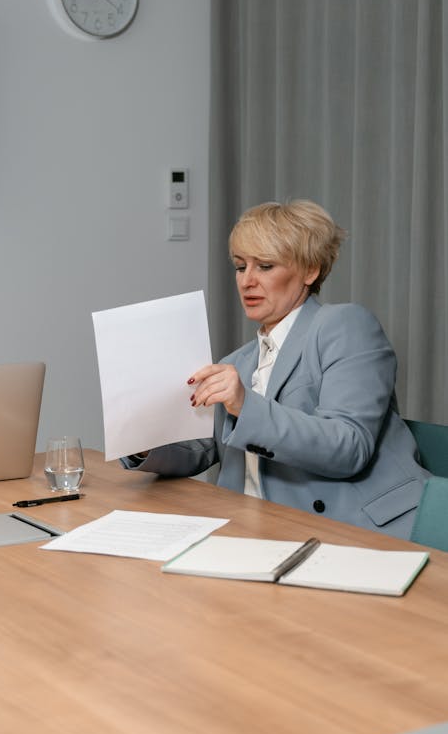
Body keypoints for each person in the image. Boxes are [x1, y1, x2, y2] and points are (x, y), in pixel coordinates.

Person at [123, 200, 430, 539]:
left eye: (265, 266)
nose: (247, 281)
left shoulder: (344, 325)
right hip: (255, 530)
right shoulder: (237, 361)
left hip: (353, 532)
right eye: (241, 267)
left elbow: (349, 446)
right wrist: (145, 441)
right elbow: (199, 449)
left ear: (310, 270)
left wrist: (245, 405)